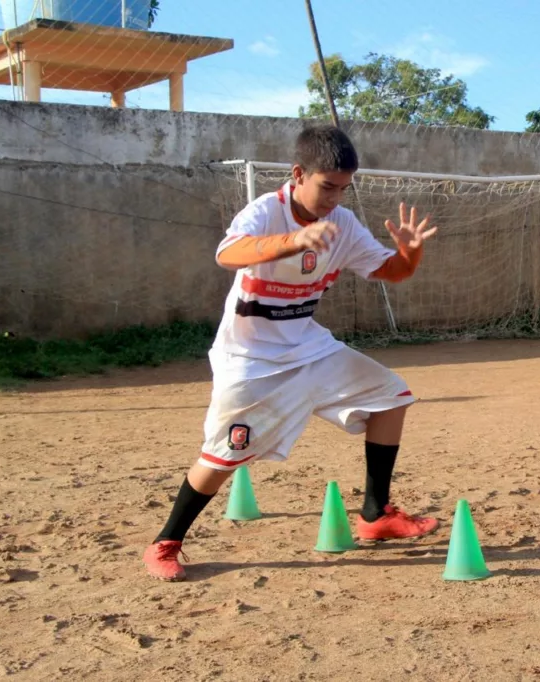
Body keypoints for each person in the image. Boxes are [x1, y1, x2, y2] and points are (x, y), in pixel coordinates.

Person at [143, 124, 440, 581]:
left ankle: (376, 515)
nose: (334, 199)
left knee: (391, 397)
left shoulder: (341, 222)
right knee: (223, 457)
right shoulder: (266, 211)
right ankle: (166, 542)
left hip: (309, 347)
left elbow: (391, 271)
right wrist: (293, 240)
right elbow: (228, 253)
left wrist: (410, 254)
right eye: (327, 187)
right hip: (251, 360)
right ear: (298, 174)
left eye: (343, 189)